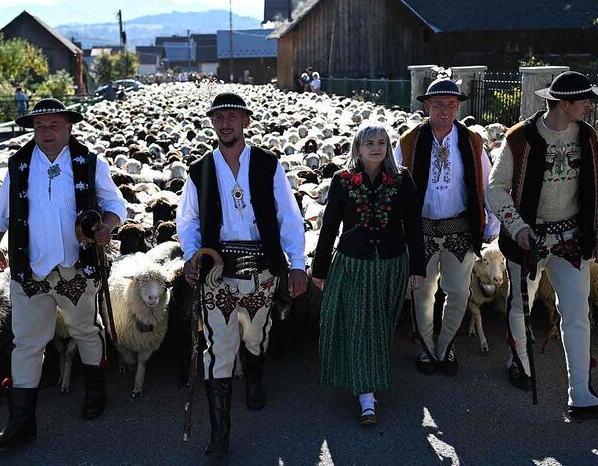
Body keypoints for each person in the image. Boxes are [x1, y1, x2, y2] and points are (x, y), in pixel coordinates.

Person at [0, 98, 127, 448]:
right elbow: (1, 210)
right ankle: (21, 421)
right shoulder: (18, 164)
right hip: (30, 268)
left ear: (69, 127)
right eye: (39, 126)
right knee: (27, 342)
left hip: (75, 267)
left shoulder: (88, 163)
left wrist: (107, 226)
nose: (46, 132)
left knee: (84, 329)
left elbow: (115, 205)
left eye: (53, 125)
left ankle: (95, 392)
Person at [176, 92, 307, 457]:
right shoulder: (199, 170)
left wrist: (296, 262)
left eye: (233, 116)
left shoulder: (268, 164)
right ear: (212, 123)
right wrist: (191, 255)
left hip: (261, 269)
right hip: (216, 270)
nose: (226, 123)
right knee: (218, 347)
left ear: (246, 121)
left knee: (255, 335)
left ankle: (254, 377)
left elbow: (288, 215)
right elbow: (186, 220)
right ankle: (220, 434)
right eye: (219, 117)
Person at [487, 71, 598, 420]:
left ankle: (580, 393)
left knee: (578, 312)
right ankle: (520, 361)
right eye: (584, 100)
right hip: (527, 240)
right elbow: (495, 188)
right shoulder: (520, 139)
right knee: (520, 306)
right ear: (564, 104)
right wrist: (516, 226)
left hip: (570, 240)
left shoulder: (588, 137)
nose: (590, 105)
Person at [312, 123, 425, 425]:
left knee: (380, 327)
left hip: (391, 263)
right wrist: (319, 268)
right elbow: (330, 226)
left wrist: (418, 267)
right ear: (358, 148)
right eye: (368, 143)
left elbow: (413, 225)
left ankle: (368, 377)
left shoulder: (402, 180)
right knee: (362, 326)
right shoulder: (343, 180)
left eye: (381, 142)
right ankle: (367, 398)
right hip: (354, 263)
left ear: (388, 147)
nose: (376, 148)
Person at [394, 78, 500, 376]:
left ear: (458, 107)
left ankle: (445, 346)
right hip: (421, 228)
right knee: (423, 291)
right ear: (426, 106)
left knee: (458, 292)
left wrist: (491, 220)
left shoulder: (471, 140)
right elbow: (397, 184)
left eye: (451, 104)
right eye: (438, 104)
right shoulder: (409, 141)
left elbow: (485, 181)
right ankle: (427, 347)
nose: (445, 110)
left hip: (459, 227)